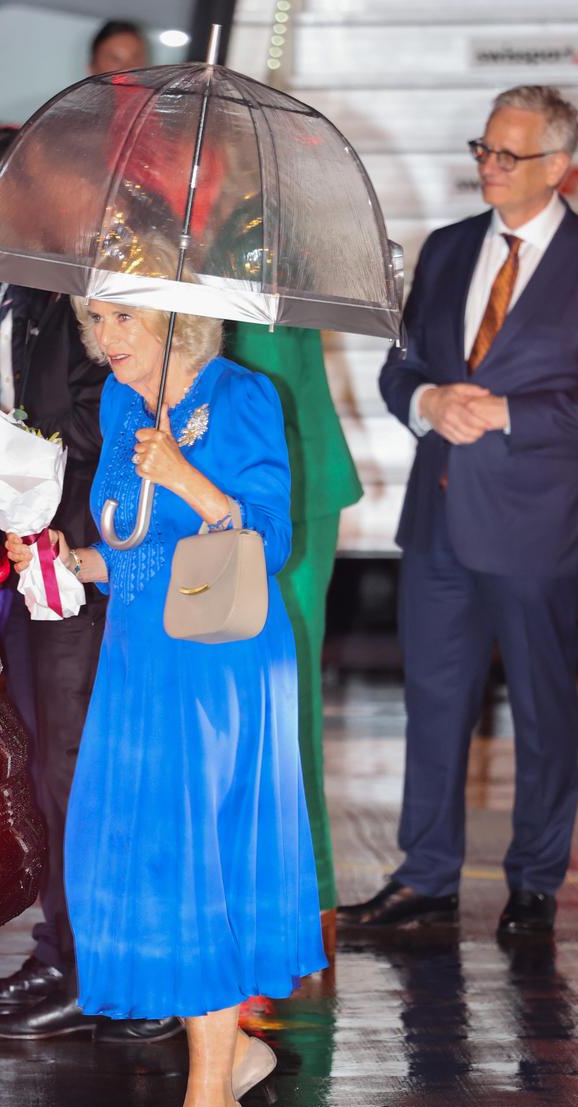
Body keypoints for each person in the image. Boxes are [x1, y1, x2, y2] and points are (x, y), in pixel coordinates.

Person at [6, 235, 327, 1107]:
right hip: (142, 654)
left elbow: (266, 537)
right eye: (96, 318)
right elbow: (135, 553)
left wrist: (189, 476)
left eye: (121, 318)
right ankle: (228, 1062)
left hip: (221, 666)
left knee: (201, 863)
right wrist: (71, 563)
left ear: (178, 320)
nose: (104, 337)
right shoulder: (118, 401)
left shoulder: (241, 397)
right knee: (152, 857)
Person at [0, 129, 178, 1044]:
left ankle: (119, 970)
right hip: (11, 568)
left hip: (86, 566)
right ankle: (63, 947)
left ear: (20, 197)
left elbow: (123, 425)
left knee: (82, 769)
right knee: (36, 766)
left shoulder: (92, 299)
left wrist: (42, 485)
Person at [337, 86, 578, 938]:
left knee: (547, 711)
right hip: (437, 522)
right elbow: (399, 369)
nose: (488, 165)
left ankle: (535, 878)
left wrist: (512, 413)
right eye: (484, 148)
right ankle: (427, 874)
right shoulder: (444, 250)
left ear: (559, 167)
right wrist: (430, 398)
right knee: (434, 702)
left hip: (542, 530)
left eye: (508, 155)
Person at [225, 322, 362, 943]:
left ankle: (310, 898)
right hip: (214, 494)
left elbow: (266, 376)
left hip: (287, 492)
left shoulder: (266, 242)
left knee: (288, 698)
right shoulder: (162, 239)